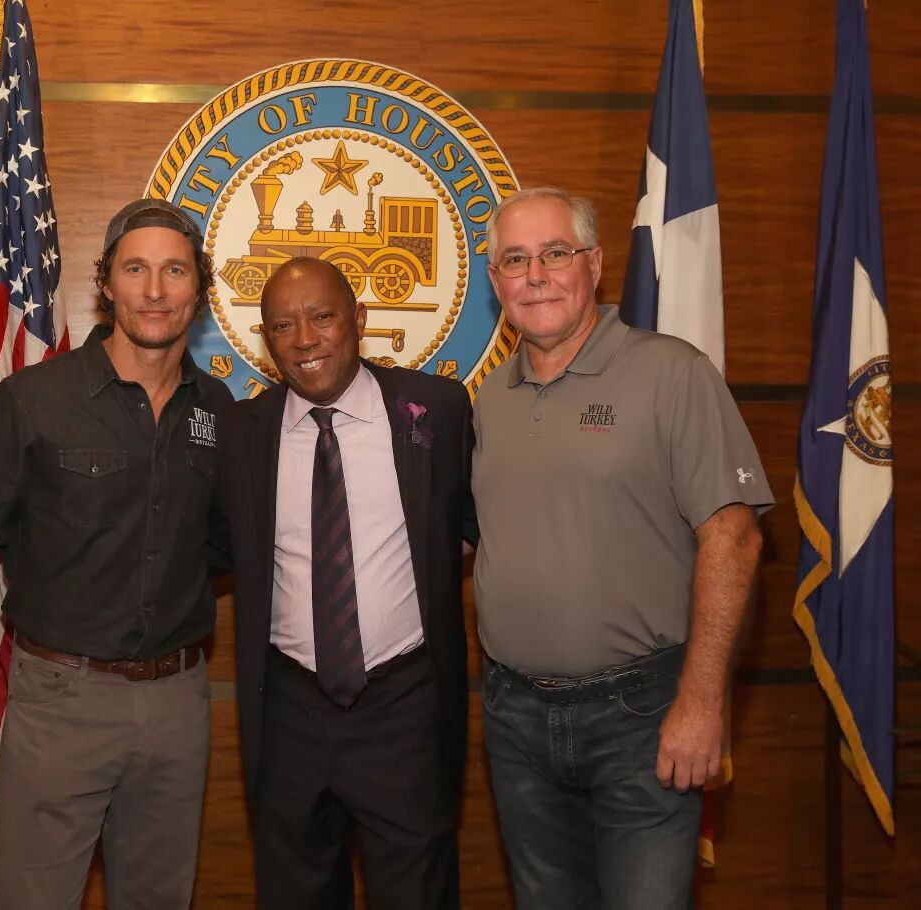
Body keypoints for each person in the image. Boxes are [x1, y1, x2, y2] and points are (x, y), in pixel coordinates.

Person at [0, 198, 233, 909]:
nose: (154, 290)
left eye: (174, 271)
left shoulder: (219, 411)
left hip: (179, 703)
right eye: (135, 269)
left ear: (199, 290)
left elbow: (219, 547)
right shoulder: (31, 401)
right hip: (60, 703)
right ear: (106, 284)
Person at [472, 186, 773, 910]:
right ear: (495, 281)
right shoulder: (490, 401)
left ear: (595, 264)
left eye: (556, 253)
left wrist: (702, 701)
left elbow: (734, 537)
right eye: (515, 259)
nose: (536, 275)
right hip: (516, 720)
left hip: (642, 718)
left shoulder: (673, 373)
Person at [221, 257, 473, 910]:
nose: (305, 339)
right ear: (265, 339)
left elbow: (475, 526)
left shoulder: (437, 410)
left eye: (323, 316)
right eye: (283, 326)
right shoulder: (242, 433)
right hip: (288, 713)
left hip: (404, 707)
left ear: (358, 319)